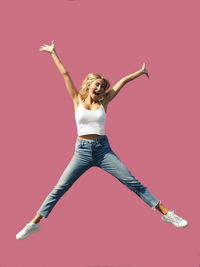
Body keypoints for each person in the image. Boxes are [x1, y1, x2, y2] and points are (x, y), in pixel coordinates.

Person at [16, 41, 188, 240]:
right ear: (89, 85)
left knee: (131, 181)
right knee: (59, 188)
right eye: (97, 84)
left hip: (102, 150)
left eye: (102, 86)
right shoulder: (76, 99)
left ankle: (167, 214)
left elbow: (121, 82)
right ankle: (34, 223)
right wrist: (53, 52)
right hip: (81, 151)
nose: (100, 88)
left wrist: (140, 72)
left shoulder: (104, 101)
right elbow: (65, 74)